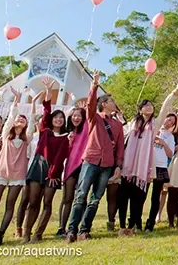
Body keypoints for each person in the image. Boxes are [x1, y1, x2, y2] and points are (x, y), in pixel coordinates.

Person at [118, 80, 178, 235]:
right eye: (146, 105)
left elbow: (165, 109)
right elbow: (121, 134)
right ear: (140, 109)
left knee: (138, 198)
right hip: (128, 165)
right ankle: (122, 226)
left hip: (143, 168)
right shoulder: (132, 124)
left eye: (151, 105)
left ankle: (133, 226)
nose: (149, 107)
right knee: (124, 197)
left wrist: (174, 92)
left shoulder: (155, 125)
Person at [66, 72, 125, 243]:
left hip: (107, 164)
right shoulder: (94, 118)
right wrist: (94, 86)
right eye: (112, 101)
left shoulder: (118, 125)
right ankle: (72, 230)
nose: (115, 104)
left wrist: (118, 165)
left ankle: (85, 230)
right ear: (104, 104)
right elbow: (90, 105)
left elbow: (120, 147)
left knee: (95, 199)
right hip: (91, 160)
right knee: (80, 195)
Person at [0, 88, 39, 248]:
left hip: (18, 174)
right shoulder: (7, 134)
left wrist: (33, 103)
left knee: (10, 205)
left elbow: (33, 120)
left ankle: (0, 235)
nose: (20, 119)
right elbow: (11, 115)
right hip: (1, 171)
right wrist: (17, 99)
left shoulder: (27, 138)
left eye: (23, 119)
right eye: (18, 118)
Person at [22, 79, 71, 243]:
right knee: (33, 201)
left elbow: (60, 157)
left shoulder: (65, 138)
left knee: (47, 202)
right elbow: (46, 111)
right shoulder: (45, 131)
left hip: (54, 172)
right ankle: (26, 233)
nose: (58, 120)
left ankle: (38, 234)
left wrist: (53, 173)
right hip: (38, 167)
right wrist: (49, 93)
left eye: (61, 118)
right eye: (56, 118)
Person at [56, 106, 87, 236]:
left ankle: (79, 226)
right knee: (67, 198)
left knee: (81, 198)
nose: (76, 118)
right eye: (74, 115)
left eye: (79, 115)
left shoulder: (86, 128)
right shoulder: (67, 131)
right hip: (70, 167)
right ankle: (61, 227)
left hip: (84, 166)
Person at [146, 115, 175, 230]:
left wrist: (163, 142)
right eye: (168, 119)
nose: (168, 122)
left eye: (172, 122)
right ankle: (136, 222)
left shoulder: (170, 137)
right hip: (148, 164)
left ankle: (151, 222)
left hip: (161, 166)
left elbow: (170, 154)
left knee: (156, 195)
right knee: (142, 194)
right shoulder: (151, 129)